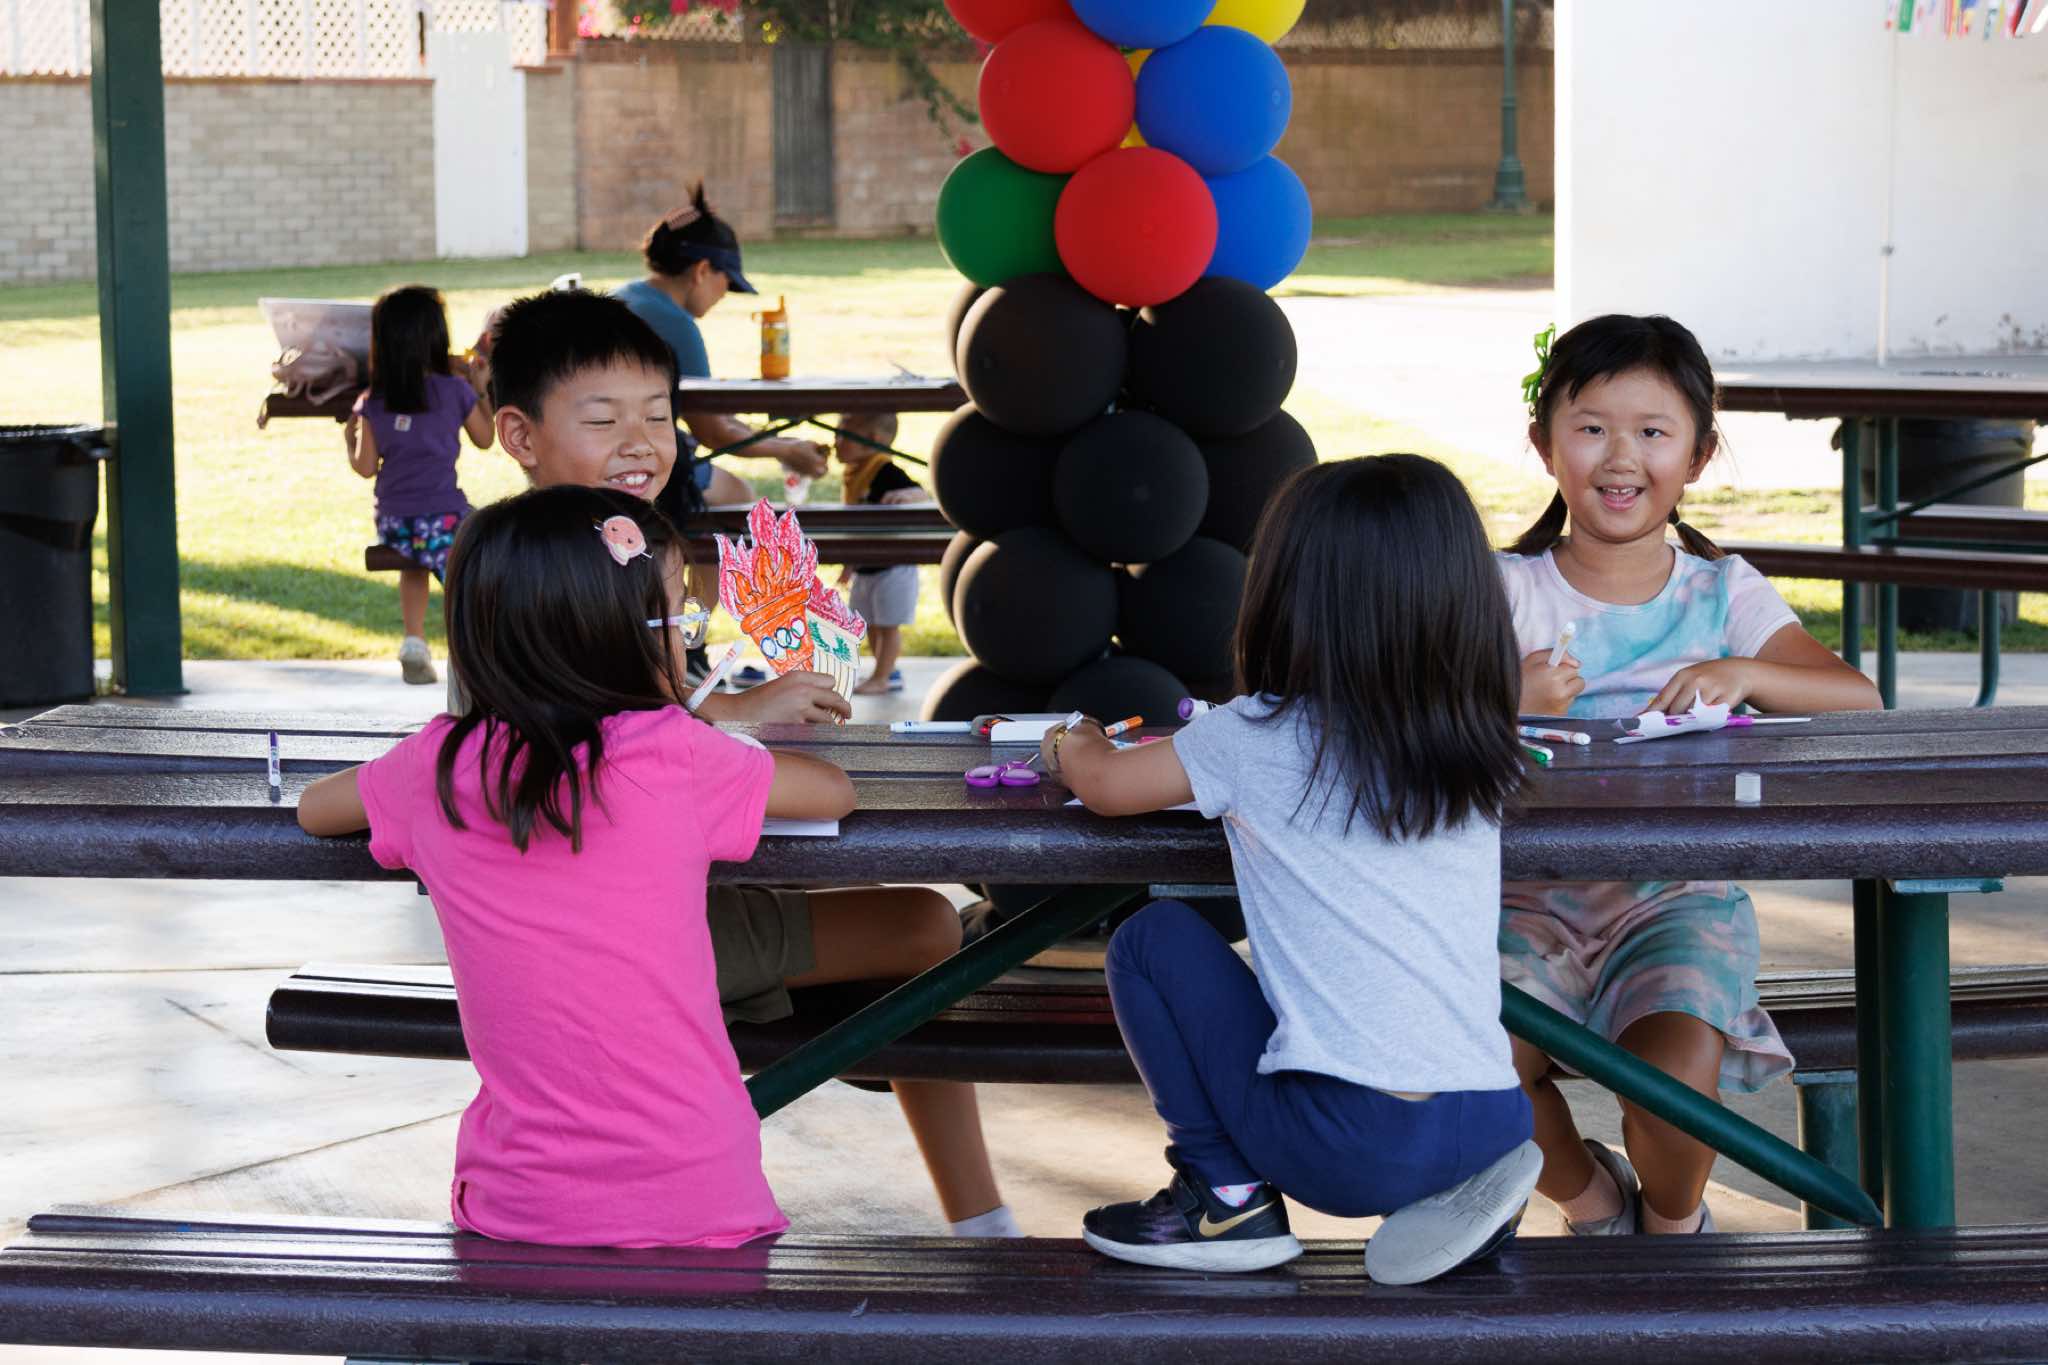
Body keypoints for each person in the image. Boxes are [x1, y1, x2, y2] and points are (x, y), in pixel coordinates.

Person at [481, 287, 1020, 1239]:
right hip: (623, 933)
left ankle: (976, 1209)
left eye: (660, 416)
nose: (641, 443)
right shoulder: (535, 574)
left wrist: (726, 706)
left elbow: (639, 721)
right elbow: (576, 745)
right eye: (603, 419)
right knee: (924, 929)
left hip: (624, 905)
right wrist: (724, 714)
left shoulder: (581, 553)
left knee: (891, 930)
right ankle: (980, 1221)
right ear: (520, 435)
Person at [296, 487, 853, 1247]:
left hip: (517, 1203)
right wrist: (700, 717)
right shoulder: (676, 753)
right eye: (677, 619)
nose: (687, 639)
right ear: (613, 636)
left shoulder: (436, 765)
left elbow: (315, 809)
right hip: (700, 1194)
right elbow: (833, 791)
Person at [1044, 455, 1542, 1285]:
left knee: (1150, 940)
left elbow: (1104, 787)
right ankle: (1456, 1188)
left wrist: (1070, 739)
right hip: (1492, 1115)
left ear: (1289, 595)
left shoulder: (1253, 734)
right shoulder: (1480, 737)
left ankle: (1223, 1195)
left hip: (1347, 1146)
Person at [1501, 313, 1881, 1236]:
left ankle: (1673, 1230)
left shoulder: (1722, 593)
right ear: (1545, 445)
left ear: (1699, 455)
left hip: (1674, 902)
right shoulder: (1501, 589)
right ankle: (1594, 1203)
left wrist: (1747, 672)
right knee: (1464, 1069)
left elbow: (1857, 700)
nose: (1620, 456)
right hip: (1517, 902)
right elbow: (1405, 722)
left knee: (1672, 1089)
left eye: (1652, 431)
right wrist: (1504, 694)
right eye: (1591, 427)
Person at [614, 182, 829, 521]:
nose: (724, 294)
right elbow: (713, 431)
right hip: (635, 461)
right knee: (739, 499)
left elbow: (712, 419)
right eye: (726, 282)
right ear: (702, 271)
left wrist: (779, 442)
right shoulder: (675, 324)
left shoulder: (625, 296)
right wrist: (785, 450)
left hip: (603, 447)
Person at [343, 284, 494, 686]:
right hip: (444, 519)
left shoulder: (375, 399)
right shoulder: (455, 390)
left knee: (415, 563)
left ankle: (414, 640)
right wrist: (480, 389)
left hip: (395, 522)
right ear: (436, 336)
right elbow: (485, 438)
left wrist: (348, 441)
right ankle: (470, 648)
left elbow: (365, 468)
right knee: (473, 549)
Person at [833, 411, 925, 695]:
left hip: (893, 566)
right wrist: (848, 565)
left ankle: (882, 676)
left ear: (871, 440)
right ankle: (885, 671)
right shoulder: (855, 474)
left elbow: (921, 492)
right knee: (870, 624)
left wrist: (908, 496)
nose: (835, 442)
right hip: (866, 566)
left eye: (842, 436)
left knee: (888, 626)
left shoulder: (885, 471)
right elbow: (855, 527)